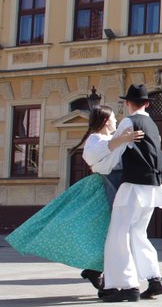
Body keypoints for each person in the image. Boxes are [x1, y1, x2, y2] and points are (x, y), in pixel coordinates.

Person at [6, 105, 142, 291]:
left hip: (116, 186)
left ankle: (97, 271)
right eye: (113, 118)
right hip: (100, 188)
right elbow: (99, 152)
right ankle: (98, 272)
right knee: (96, 229)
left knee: (107, 232)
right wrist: (123, 138)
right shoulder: (95, 139)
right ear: (104, 121)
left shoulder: (113, 138)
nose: (116, 120)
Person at [100, 84, 162, 302]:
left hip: (132, 186)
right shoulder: (152, 125)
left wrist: (100, 165)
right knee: (139, 234)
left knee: (119, 234)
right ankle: (154, 280)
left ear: (127, 103)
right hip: (151, 186)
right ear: (147, 103)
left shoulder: (128, 121)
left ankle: (126, 286)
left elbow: (115, 149)